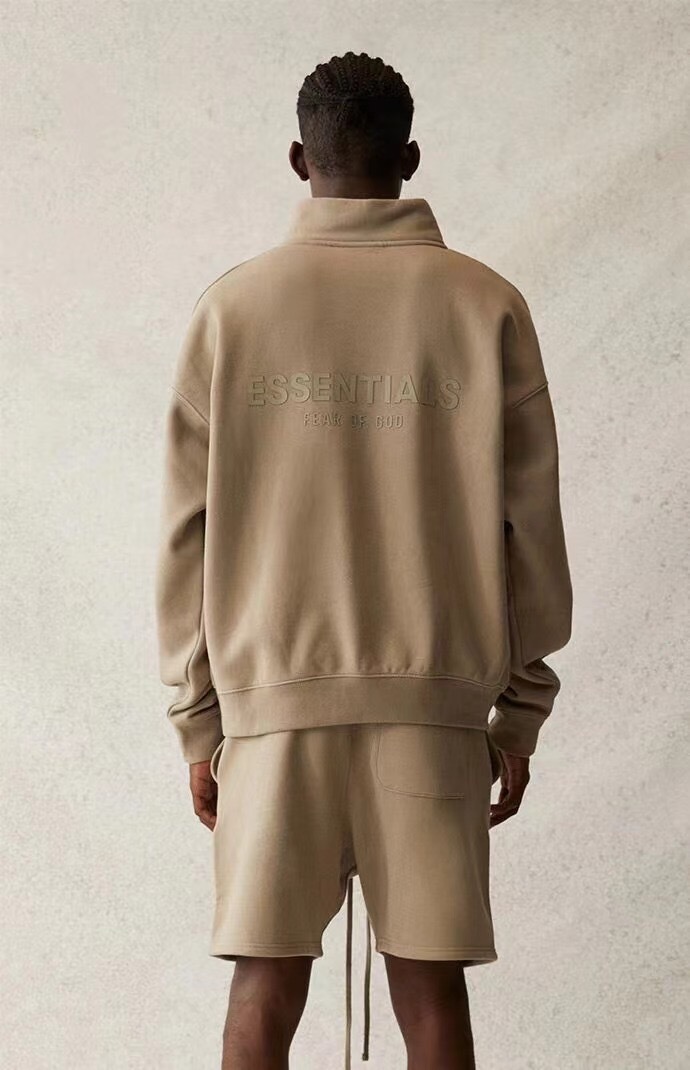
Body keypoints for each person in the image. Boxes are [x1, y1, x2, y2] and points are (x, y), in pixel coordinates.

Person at [155, 49, 573, 1070]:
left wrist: (199, 718)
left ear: (301, 159)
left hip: (271, 713)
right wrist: (519, 710)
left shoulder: (232, 310)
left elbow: (183, 534)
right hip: (433, 709)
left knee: (263, 986)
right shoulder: (485, 305)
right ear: (411, 157)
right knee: (430, 992)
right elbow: (531, 529)